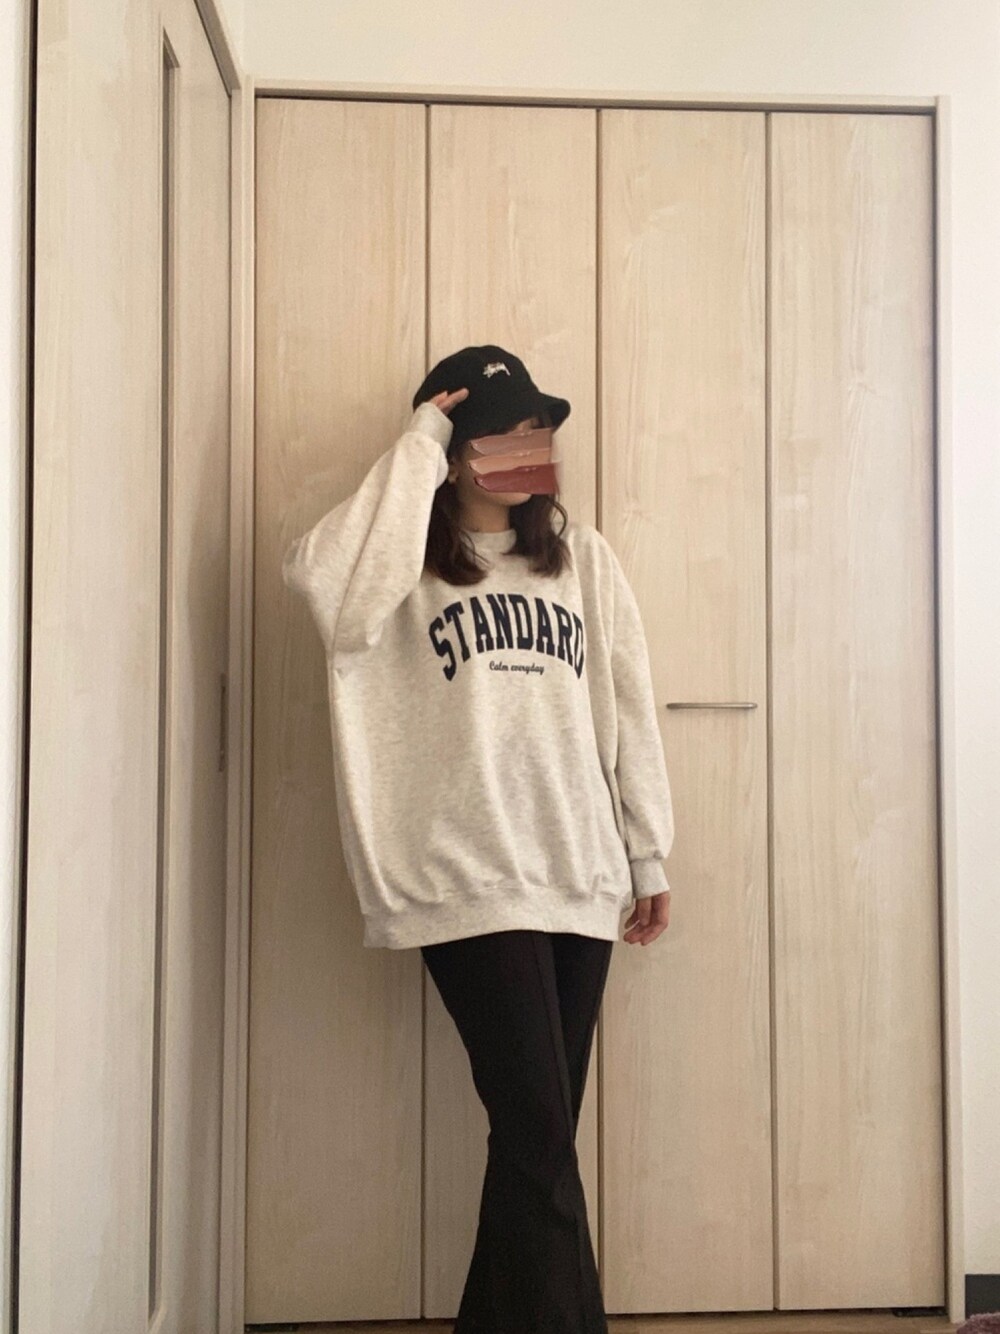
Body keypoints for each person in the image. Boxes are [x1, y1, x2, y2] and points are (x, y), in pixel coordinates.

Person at [282, 343, 675, 1334]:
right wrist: (419, 439)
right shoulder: (396, 567)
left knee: (535, 1145)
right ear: (454, 451)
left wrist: (646, 851)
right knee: (540, 1137)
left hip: (579, 869)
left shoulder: (582, 559)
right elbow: (325, 590)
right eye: (496, 434)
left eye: (534, 432)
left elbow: (629, 708)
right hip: (464, 875)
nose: (522, 451)